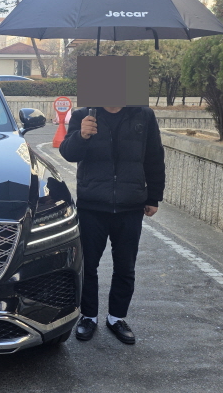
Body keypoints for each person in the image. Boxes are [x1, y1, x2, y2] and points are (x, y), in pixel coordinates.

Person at [60, 105, 165, 345]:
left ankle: (116, 317)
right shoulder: (83, 114)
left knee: (125, 266)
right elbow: (68, 152)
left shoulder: (143, 115)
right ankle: (88, 316)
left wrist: (153, 197)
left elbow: (154, 157)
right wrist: (81, 136)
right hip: (92, 206)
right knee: (88, 265)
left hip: (130, 206)